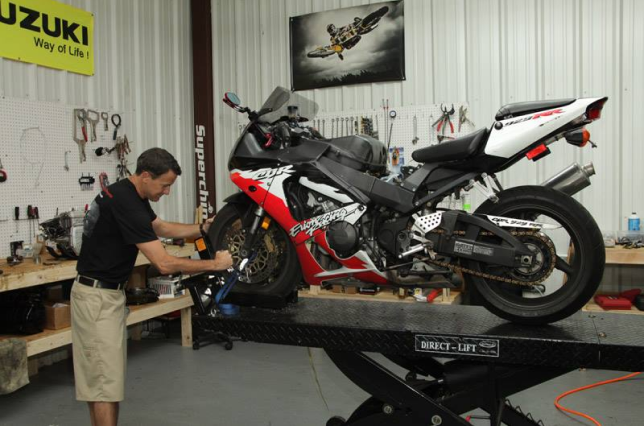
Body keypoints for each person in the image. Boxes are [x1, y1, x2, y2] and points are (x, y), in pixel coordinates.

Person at [71, 147, 232, 426]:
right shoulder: (127, 203)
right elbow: (164, 264)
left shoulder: (129, 192)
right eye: (165, 185)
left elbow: (161, 228)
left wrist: (201, 228)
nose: (167, 192)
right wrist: (215, 265)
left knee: (106, 383)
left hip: (105, 296)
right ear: (146, 175)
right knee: (103, 385)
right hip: (96, 300)